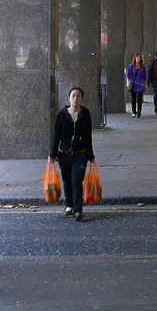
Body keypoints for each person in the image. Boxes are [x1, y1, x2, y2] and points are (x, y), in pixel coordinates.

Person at [50, 86, 95, 222]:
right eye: (73, 96)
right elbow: (57, 135)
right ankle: (69, 205)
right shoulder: (62, 115)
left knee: (76, 181)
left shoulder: (85, 114)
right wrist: (52, 154)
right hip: (64, 154)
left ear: (82, 99)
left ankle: (77, 210)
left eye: (78, 96)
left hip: (80, 154)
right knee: (67, 181)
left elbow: (88, 136)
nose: (76, 99)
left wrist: (90, 155)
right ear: (69, 98)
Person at [125, 53, 147, 117]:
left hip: (140, 84)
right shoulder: (131, 66)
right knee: (133, 99)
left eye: (140, 57)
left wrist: (146, 84)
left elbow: (144, 76)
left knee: (139, 99)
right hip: (133, 84)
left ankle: (139, 111)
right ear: (135, 58)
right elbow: (128, 75)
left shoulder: (142, 67)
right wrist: (128, 83)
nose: (138, 59)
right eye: (137, 57)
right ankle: (134, 111)